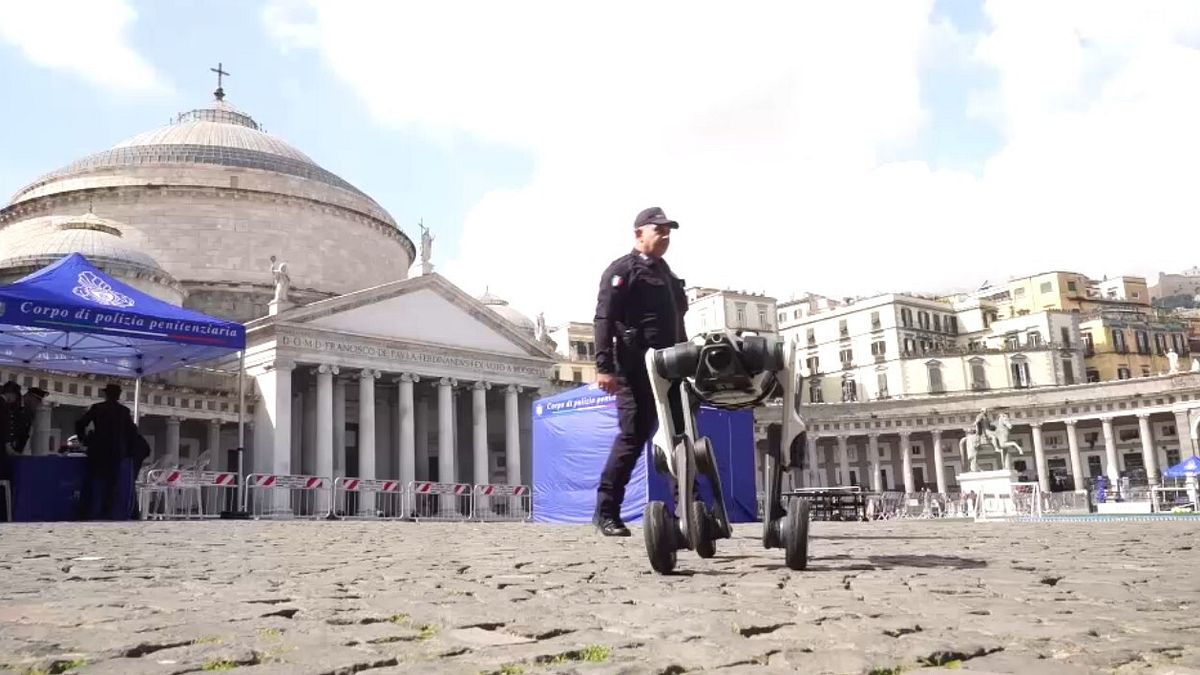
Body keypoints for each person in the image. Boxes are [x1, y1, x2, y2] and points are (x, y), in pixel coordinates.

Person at [592, 206, 690, 537]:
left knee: (681, 437)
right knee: (633, 436)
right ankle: (606, 511)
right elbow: (604, 318)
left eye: (668, 231)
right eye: (658, 230)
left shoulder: (667, 274)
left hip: (672, 367)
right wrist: (604, 367)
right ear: (639, 233)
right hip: (635, 369)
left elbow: (678, 323)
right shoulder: (622, 270)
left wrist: (687, 361)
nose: (665, 236)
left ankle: (688, 511)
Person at [74, 383, 139, 520]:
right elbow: (133, 432)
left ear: (106, 394)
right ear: (118, 395)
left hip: (97, 449)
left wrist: (84, 440)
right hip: (116, 451)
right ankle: (107, 512)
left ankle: (84, 512)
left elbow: (80, 423)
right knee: (111, 484)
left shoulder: (97, 408)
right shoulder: (124, 411)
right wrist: (127, 449)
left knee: (90, 482)